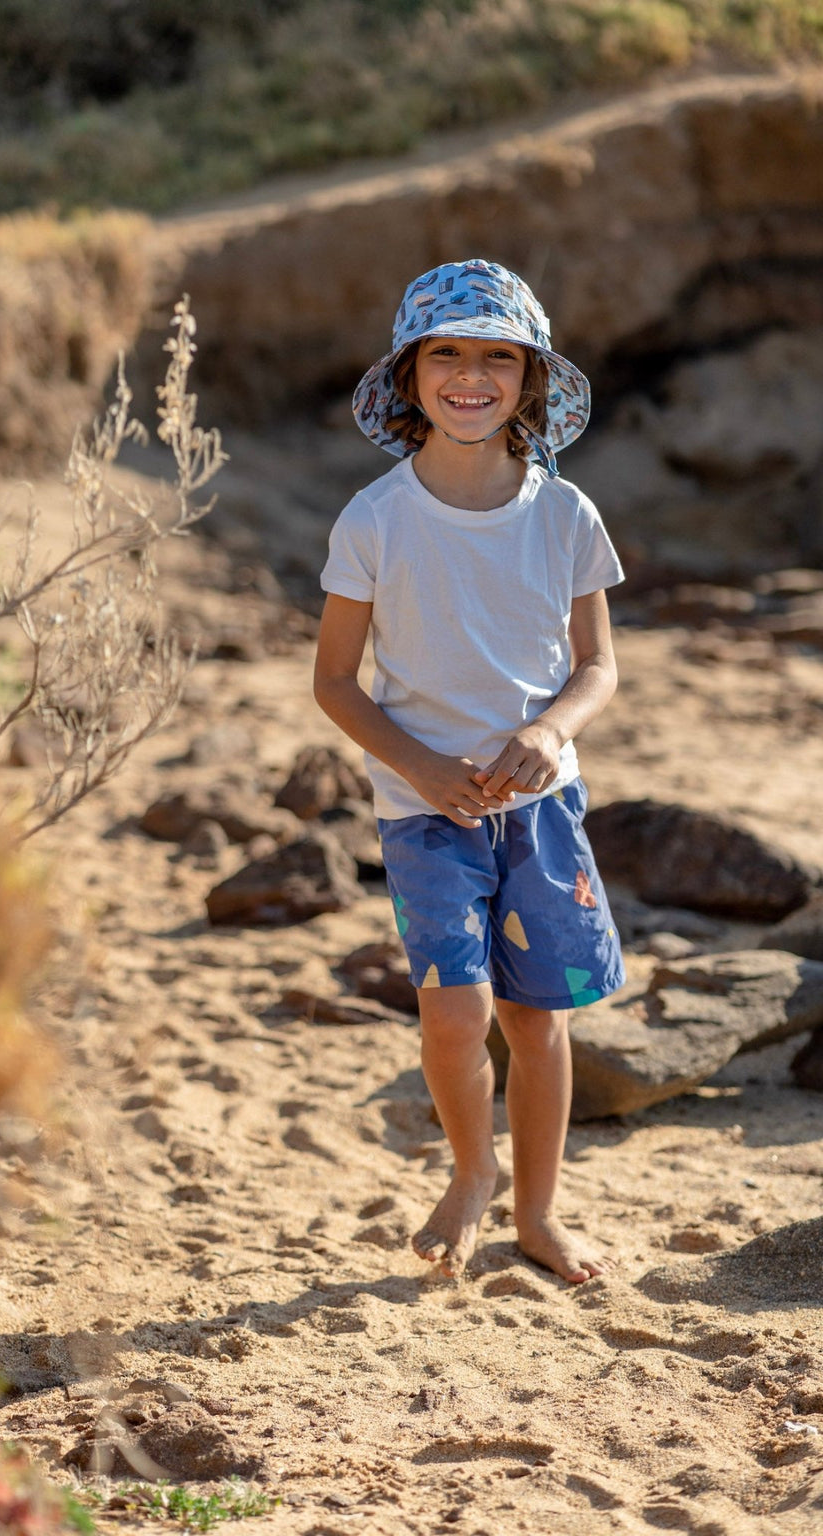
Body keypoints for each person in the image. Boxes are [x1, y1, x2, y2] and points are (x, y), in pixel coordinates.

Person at [314, 259, 625, 1284]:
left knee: (538, 1019)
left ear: (530, 381)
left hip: (540, 809)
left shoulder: (565, 514)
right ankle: (471, 1170)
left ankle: (538, 1214)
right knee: (455, 1011)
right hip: (421, 810)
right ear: (408, 377)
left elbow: (597, 666)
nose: (470, 375)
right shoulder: (374, 519)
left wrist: (549, 732)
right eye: (446, 352)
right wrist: (419, 765)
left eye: (498, 355)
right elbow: (334, 683)